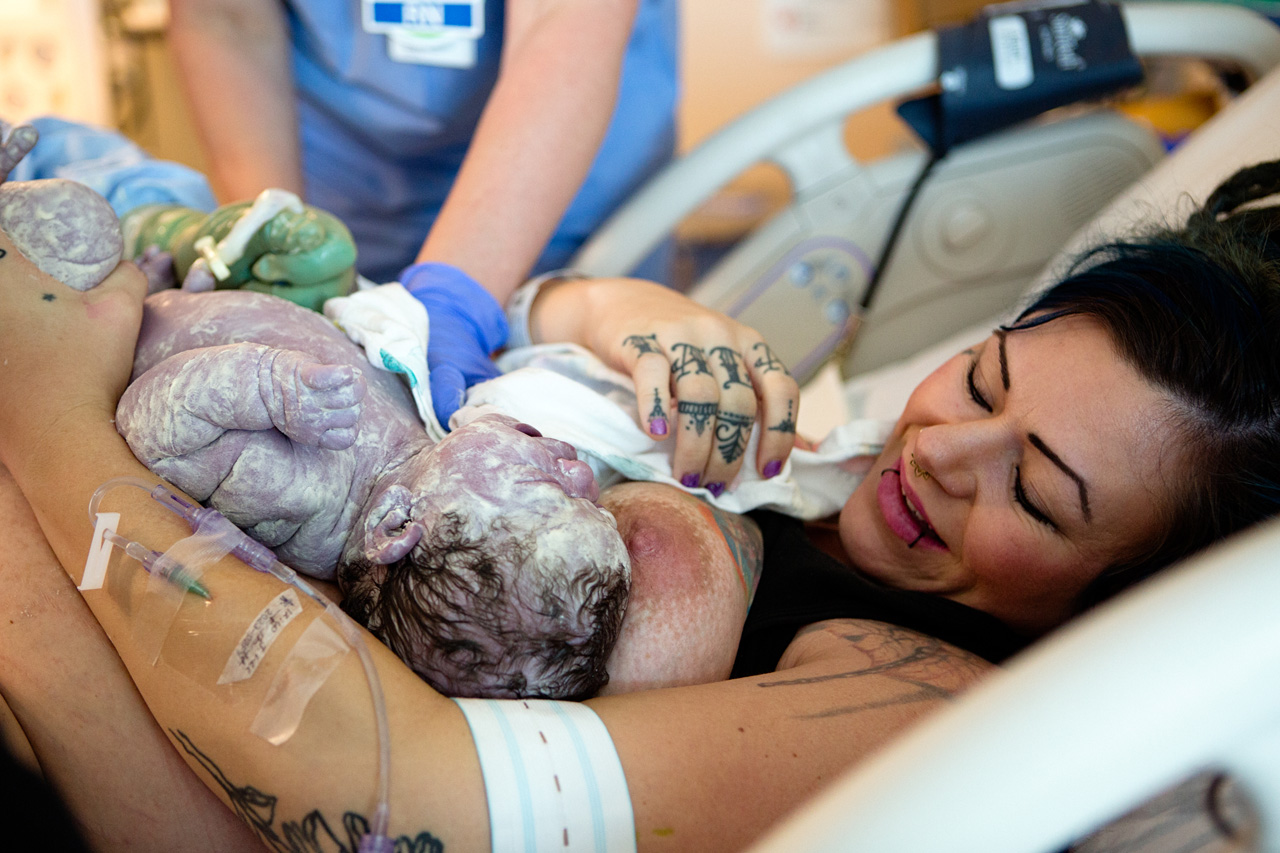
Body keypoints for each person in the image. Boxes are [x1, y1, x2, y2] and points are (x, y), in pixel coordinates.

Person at [168, 0, 680, 427]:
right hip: (338, 165)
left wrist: (456, 299)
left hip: (558, 174)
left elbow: (562, 22)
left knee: (586, 394)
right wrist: (281, 241)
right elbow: (225, 17)